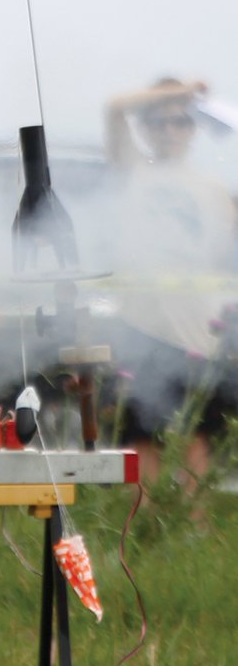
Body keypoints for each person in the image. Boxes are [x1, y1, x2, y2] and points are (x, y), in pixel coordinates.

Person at [104, 77, 237, 482]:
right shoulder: (132, 171)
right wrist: (178, 93)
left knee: (197, 434)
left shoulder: (214, 190)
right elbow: (114, 106)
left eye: (181, 122)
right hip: (143, 325)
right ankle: (141, 533)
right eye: (160, 122)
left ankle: (191, 533)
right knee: (143, 436)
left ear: (193, 128)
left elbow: (224, 260)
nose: (170, 131)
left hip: (198, 330)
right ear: (145, 128)